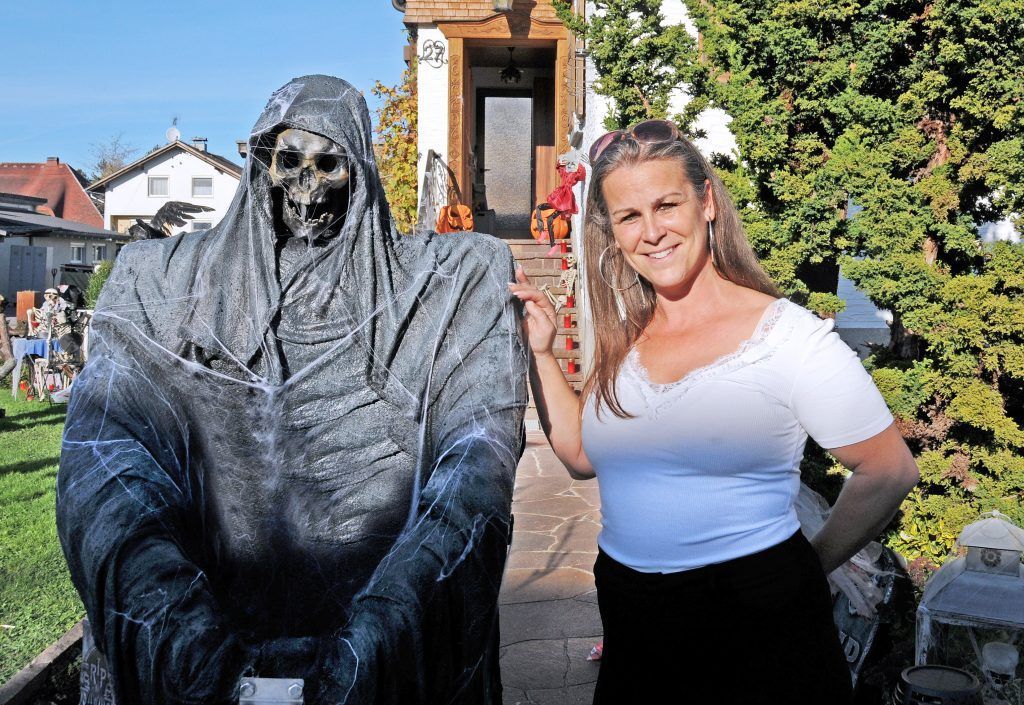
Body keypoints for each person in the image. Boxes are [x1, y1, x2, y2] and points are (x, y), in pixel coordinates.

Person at [57, 75, 526, 705]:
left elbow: (475, 456)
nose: (306, 186)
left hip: (377, 603)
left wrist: (388, 625)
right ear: (264, 167)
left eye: (328, 164)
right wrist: (175, 621)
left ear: (358, 173)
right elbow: (108, 449)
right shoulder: (164, 283)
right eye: (289, 163)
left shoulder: (451, 282)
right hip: (219, 597)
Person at [509, 120, 919, 704]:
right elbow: (579, 455)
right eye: (629, 216)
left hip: (758, 625)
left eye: (666, 205)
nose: (652, 232)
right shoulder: (625, 339)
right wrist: (542, 354)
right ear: (614, 233)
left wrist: (806, 569)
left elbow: (890, 470)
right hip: (633, 616)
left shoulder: (788, 336)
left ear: (706, 203)